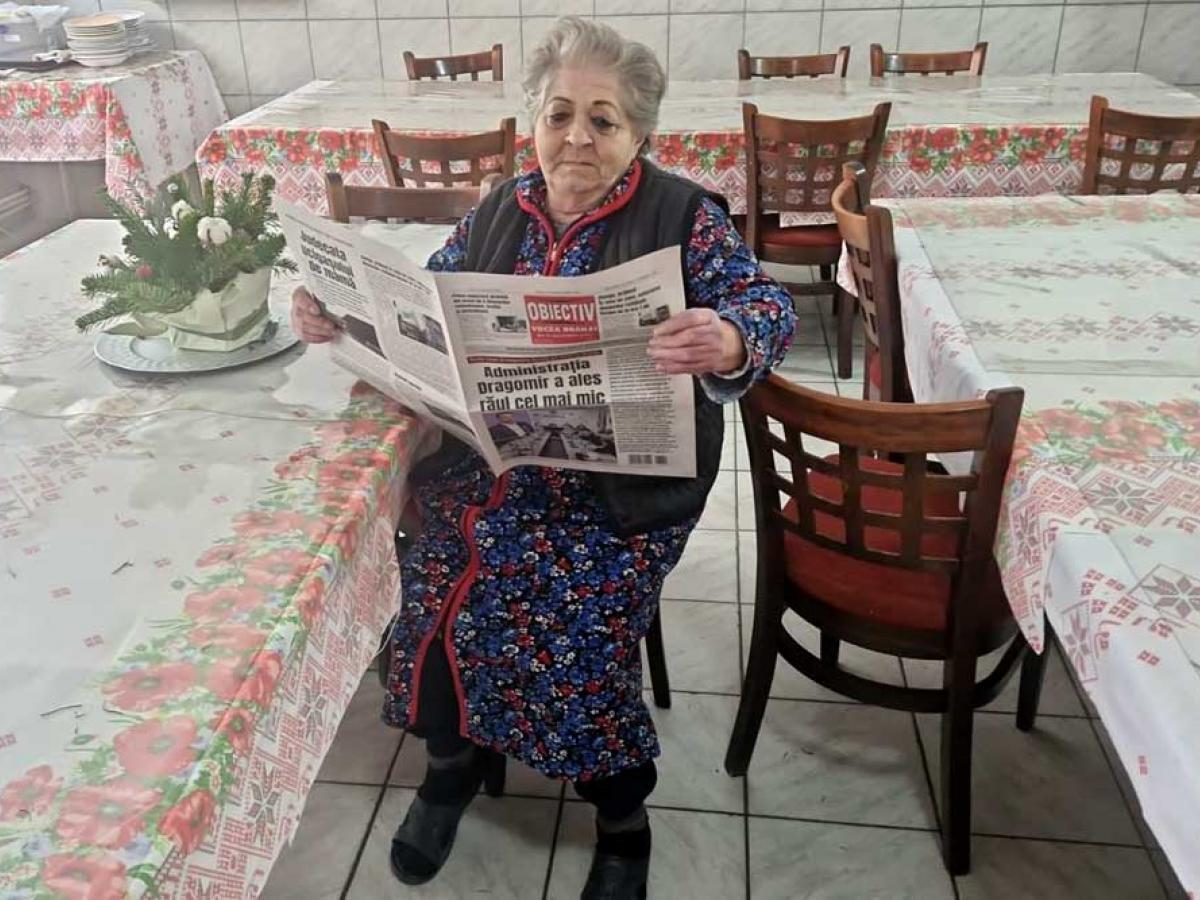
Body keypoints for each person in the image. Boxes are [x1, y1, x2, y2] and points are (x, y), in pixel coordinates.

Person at [290, 17, 796, 899]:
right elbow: (427, 300)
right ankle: (449, 768)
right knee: (430, 594)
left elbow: (766, 306)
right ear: (534, 121)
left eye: (604, 120)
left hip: (620, 500)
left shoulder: (682, 216)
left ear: (640, 132)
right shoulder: (501, 209)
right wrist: (341, 315)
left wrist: (728, 336)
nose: (577, 138)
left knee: (570, 630)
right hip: (490, 475)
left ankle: (621, 819)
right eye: (560, 114)